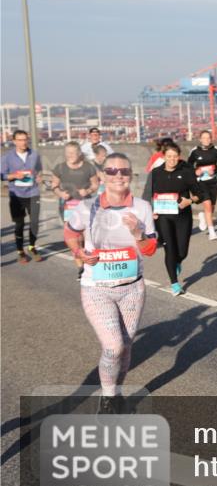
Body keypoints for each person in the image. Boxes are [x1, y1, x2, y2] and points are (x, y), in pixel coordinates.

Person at [63, 153, 157, 414]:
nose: (118, 176)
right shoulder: (87, 207)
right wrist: (78, 253)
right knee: (113, 347)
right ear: (102, 175)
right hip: (97, 289)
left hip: (132, 289)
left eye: (124, 171)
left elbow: (150, 249)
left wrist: (138, 232)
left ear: (131, 176)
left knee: (125, 347)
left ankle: (115, 394)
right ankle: (107, 397)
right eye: (112, 171)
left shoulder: (142, 207)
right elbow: (70, 232)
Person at [144, 142, 205, 295]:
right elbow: (146, 196)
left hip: (183, 217)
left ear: (179, 157)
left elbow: (200, 194)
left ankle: (177, 261)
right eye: (169, 156)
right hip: (162, 217)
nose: (172, 159)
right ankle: (174, 283)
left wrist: (189, 201)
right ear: (164, 157)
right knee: (169, 249)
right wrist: (149, 213)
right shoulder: (155, 173)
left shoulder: (186, 172)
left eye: (175, 156)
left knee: (182, 252)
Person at [50, 141, 100, 276]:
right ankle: (81, 268)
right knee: (74, 237)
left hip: (86, 206)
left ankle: (88, 261)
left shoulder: (88, 167)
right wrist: (61, 193)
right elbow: (54, 185)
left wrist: (87, 190)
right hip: (68, 207)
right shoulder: (60, 168)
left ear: (79, 153)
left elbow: (95, 184)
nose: (70, 155)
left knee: (86, 236)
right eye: (67, 153)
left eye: (72, 153)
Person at [1, 130, 44, 263]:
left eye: (25, 139)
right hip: (16, 195)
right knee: (20, 224)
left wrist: (39, 177)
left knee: (34, 222)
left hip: (33, 193)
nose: (23, 142)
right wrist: (14, 176)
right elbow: (2, 175)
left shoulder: (35, 155)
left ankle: (32, 247)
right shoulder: (7, 157)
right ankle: (20, 251)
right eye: (20, 140)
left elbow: (39, 170)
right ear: (14, 141)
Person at [188, 130, 217, 240]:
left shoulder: (216, 150)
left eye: (208, 138)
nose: (206, 140)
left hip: (213, 181)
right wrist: (195, 171)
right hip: (200, 181)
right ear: (200, 139)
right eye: (204, 138)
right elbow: (188, 166)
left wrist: (215, 170)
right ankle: (212, 232)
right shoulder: (195, 151)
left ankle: (203, 216)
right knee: (207, 204)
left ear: (211, 139)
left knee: (211, 206)